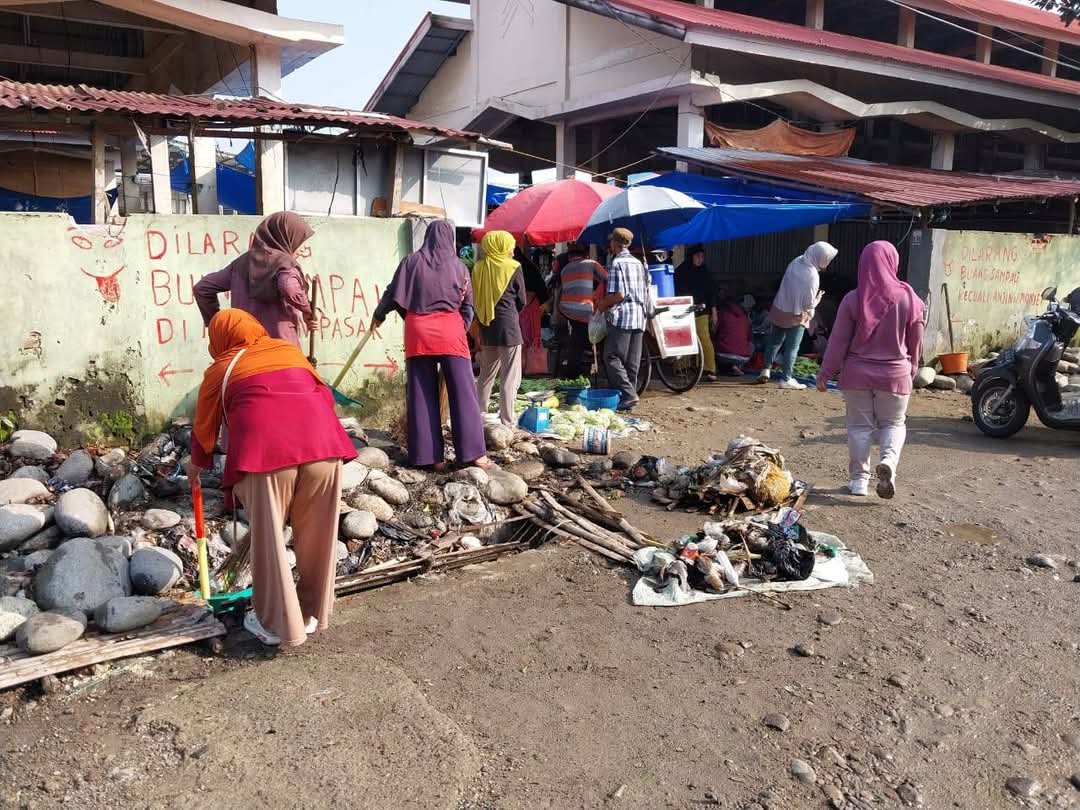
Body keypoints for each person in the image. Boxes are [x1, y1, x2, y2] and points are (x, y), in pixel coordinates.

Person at [184, 309, 356, 646]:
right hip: (324, 449)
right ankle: (309, 614)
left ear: (219, 338)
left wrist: (195, 467)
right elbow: (320, 397)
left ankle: (277, 626)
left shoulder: (222, 368)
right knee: (318, 538)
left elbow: (204, 430)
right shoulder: (289, 351)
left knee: (270, 542)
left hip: (267, 457)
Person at [372, 220, 492, 470]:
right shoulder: (460, 268)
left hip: (419, 332)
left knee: (421, 393)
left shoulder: (410, 262)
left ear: (427, 237)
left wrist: (379, 316)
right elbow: (468, 305)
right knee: (464, 394)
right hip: (451, 331)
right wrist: (461, 324)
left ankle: (430, 458)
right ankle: (473, 455)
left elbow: (393, 293)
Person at [817, 241, 924, 499]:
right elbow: (916, 340)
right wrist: (912, 367)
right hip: (895, 375)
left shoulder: (853, 299)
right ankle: (888, 462)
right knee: (893, 424)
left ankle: (858, 482)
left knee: (859, 428)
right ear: (892, 262)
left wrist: (825, 373)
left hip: (857, 375)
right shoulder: (910, 299)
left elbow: (838, 341)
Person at [194, 211, 317, 348]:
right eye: (300, 241)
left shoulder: (240, 264)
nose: (302, 248)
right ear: (288, 237)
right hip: (281, 351)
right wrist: (307, 310)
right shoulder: (285, 263)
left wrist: (215, 324)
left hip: (244, 349)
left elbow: (202, 288)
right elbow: (288, 285)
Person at [757, 241, 838, 389]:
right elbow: (808, 304)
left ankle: (766, 369)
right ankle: (786, 378)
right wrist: (818, 300)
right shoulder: (813, 275)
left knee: (775, 341)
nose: (827, 262)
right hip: (797, 314)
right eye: (827, 258)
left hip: (780, 308)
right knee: (792, 347)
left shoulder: (796, 261)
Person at [472, 231, 526, 427]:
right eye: (510, 246)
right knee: (510, 378)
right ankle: (508, 422)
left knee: (486, 376)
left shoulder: (478, 267)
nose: (512, 250)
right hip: (509, 328)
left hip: (486, 326)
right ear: (501, 246)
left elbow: (474, 298)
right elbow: (522, 301)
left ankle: (477, 417)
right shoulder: (513, 267)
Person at [600, 227, 649, 411]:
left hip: (623, 316)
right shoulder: (638, 263)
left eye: (611, 241)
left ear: (615, 244)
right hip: (639, 316)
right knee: (632, 361)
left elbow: (619, 294)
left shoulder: (617, 263)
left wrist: (603, 304)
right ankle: (629, 397)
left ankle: (629, 394)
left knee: (611, 357)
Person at [556, 244, 608, 377]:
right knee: (586, 341)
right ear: (585, 254)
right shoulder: (591, 264)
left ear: (569, 256)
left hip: (567, 310)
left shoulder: (565, 269)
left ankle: (575, 371)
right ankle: (577, 373)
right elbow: (607, 279)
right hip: (584, 310)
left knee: (577, 340)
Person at [675, 245, 719, 382]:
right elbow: (676, 291)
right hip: (684, 310)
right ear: (691, 257)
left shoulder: (705, 272)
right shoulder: (681, 271)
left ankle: (710, 368)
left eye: (702, 256)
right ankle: (682, 367)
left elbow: (711, 292)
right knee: (684, 338)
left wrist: (714, 310)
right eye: (698, 256)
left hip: (702, 310)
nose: (701, 259)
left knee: (704, 338)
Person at [712, 291, 754, 376]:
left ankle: (718, 368)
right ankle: (737, 366)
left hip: (722, 355)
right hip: (743, 358)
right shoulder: (745, 317)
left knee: (711, 342)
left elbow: (714, 331)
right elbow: (750, 338)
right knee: (752, 345)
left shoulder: (721, 313)